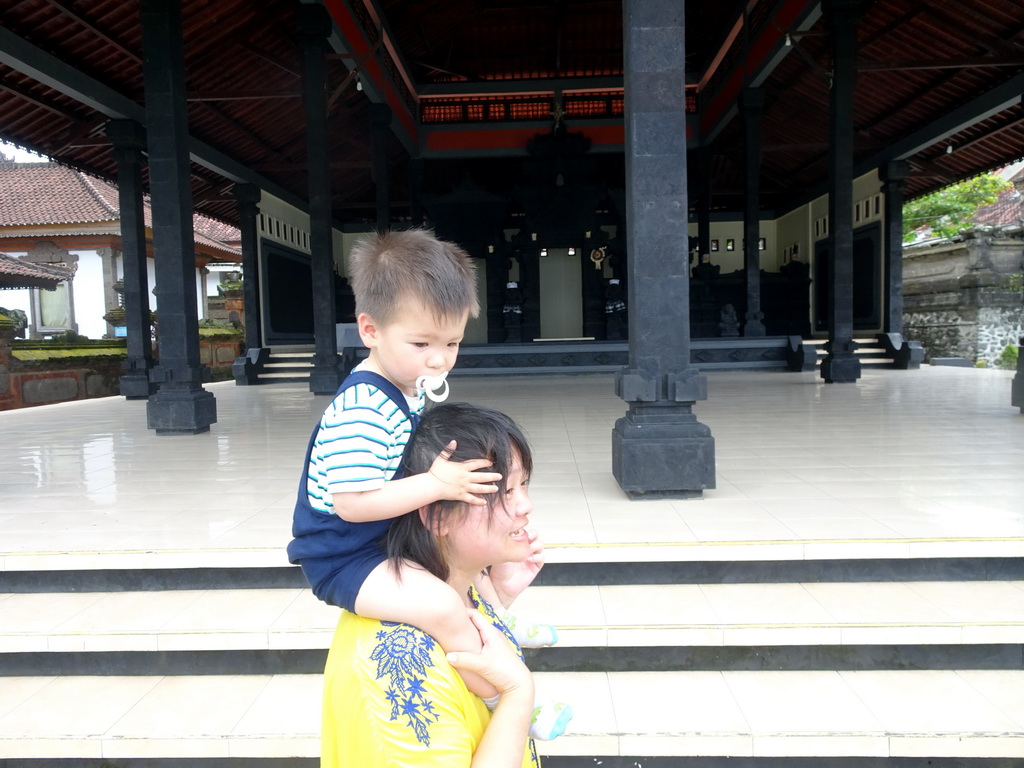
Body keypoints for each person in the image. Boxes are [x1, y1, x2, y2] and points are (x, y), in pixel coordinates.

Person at [287, 228, 568, 740]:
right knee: (441, 604)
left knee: (464, 559)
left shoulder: (404, 383)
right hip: (345, 555)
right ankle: (513, 707)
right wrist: (437, 483)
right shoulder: (363, 408)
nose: (439, 360)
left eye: (453, 342)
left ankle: (498, 629)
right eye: (422, 344)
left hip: (378, 536)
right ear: (370, 329)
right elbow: (351, 504)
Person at [322, 402, 547, 767]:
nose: (526, 505)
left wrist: (499, 600)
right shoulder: (397, 666)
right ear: (436, 515)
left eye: (523, 485)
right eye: (503, 491)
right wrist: (518, 696)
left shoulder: (456, 591)